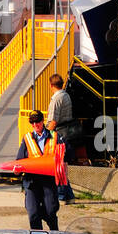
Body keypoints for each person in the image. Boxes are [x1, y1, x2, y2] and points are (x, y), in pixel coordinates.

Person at [15, 111, 58, 230]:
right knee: (33, 214)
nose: (35, 125)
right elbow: (19, 160)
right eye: (32, 122)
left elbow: (66, 155)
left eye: (37, 121)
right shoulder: (27, 138)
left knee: (50, 211)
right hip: (32, 181)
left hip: (48, 181)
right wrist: (17, 170)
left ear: (42, 121)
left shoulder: (55, 136)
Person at [45, 74, 76, 203]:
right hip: (67, 132)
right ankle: (69, 195)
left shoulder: (56, 99)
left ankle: (62, 195)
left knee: (58, 165)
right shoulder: (66, 95)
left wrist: (45, 135)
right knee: (61, 164)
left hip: (58, 135)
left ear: (51, 85)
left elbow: (53, 121)